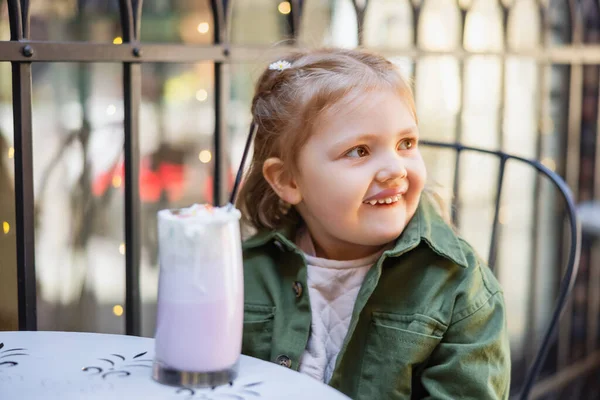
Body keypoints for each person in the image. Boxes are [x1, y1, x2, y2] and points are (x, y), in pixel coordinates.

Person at [236, 48, 510, 399]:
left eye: (405, 143)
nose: (395, 169)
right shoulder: (244, 271)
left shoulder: (460, 289)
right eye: (359, 151)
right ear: (288, 180)